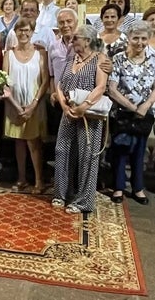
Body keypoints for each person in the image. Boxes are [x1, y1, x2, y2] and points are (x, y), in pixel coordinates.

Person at [53, 25, 108, 214]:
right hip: (68, 111)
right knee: (62, 150)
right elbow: (60, 86)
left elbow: (101, 87)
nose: (72, 40)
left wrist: (84, 106)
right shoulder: (71, 58)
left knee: (87, 155)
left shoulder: (100, 59)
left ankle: (83, 201)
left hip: (89, 114)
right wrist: (64, 105)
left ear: (87, 40)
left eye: (76, 38)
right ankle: (61, 193)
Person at [109, 21, 155, 205]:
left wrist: (145, 106)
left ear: (148, 39)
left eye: (143, 38)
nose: (139, 42)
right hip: (122, 111)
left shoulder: (154, 59)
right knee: (120, 150)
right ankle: (119, 187)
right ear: (128, 38)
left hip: (144, 113)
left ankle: (138, 188)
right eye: (135, 38)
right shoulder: (118, 58)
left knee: (139, 150)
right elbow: (112, 88)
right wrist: (130, 106)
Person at [3, 18, 48, 193]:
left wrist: (32, 105)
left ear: (32, 31)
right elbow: (4, 82)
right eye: (20, 30)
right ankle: (21, 178)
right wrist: (15, 106)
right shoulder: (9, 54)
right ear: (15, 32)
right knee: (19, 142)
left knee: (33, 142)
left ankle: (39, 180)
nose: (23, 33)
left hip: (33, 104)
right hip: (14, 104)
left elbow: (45, 82)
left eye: (27, 30)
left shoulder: (40, 53)